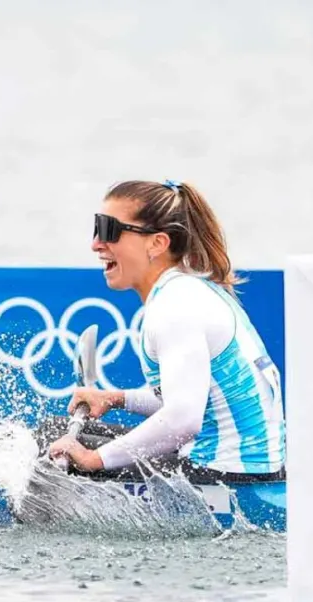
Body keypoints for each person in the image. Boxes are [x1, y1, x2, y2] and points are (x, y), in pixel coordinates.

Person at [46, 179, 286, 480]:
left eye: (109, 230)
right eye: (96, 228)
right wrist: (116, 398)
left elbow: (184, 420)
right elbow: (189, 398)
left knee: (48, 448)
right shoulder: (189, 289)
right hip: (243, 469)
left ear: (157, 243)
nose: (96, 243)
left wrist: (94, 460)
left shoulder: (175, 307)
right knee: (55, 431)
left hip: (226, 480)